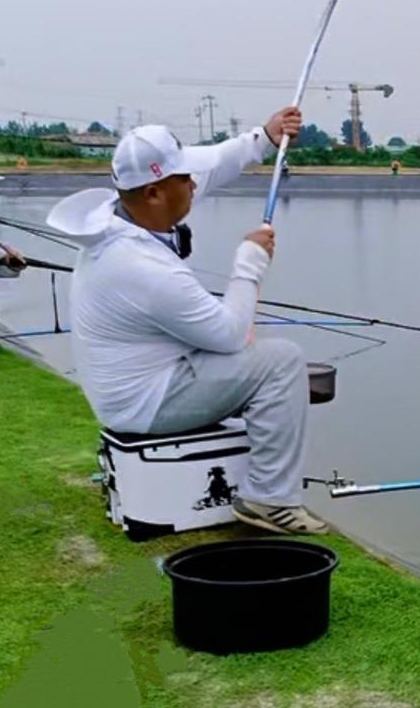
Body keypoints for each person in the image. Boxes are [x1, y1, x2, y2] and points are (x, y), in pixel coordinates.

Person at [46, 109, 328, 535]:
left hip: (135, 388)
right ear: (157, 193)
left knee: (256, 355)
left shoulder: (127, 210)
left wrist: (263, 139)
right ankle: (269, 499)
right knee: (281, 360)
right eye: (184, 180)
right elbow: (230, 335)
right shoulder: (140, 265)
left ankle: (263, 486)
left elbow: (209, 165)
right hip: (146, 404)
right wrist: (249, 262)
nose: (195, 183)